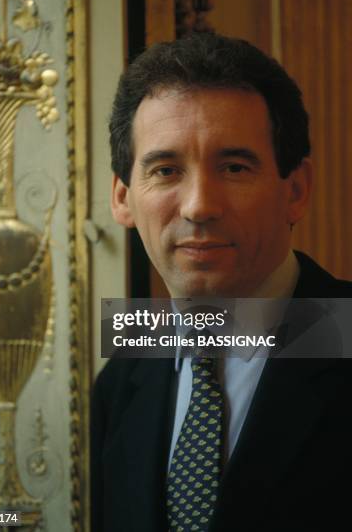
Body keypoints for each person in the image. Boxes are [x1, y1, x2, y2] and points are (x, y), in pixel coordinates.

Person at [91, 33, 352, 532]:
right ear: (123, 199)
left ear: (295, 191)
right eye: (166, 170)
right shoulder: (121, 378)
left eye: (234, 167)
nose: (199, 206)